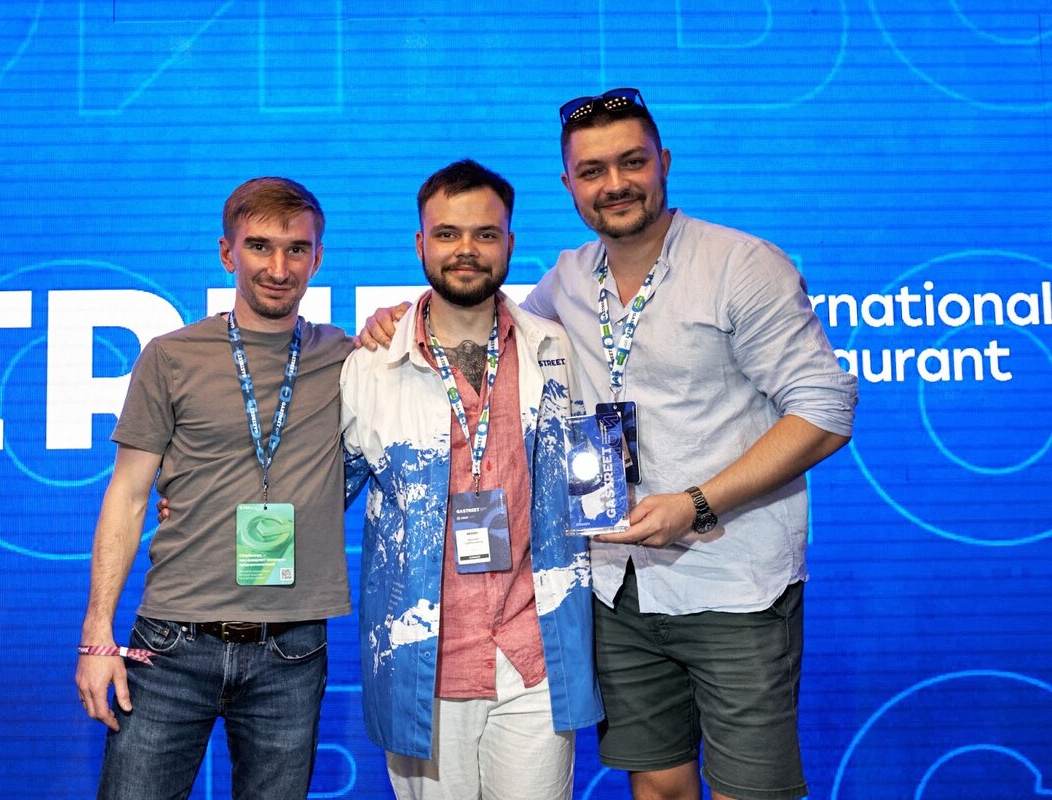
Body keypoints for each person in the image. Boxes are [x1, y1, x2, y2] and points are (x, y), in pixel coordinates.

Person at [360, 90, 859, 800]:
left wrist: (696, 503)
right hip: (615, 588)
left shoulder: (741, 265)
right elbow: (478, 321)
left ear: (664, 162)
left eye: (632, 162)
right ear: (569, 184)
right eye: (593, 171)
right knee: (656, 786)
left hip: (732, 585)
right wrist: (400, 319)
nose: (615, 184)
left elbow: (826, 410)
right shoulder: (566, 281)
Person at [75, 177, 352, 800]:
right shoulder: (170, 356)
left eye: (296, 249)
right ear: (227, 253)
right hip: (172, 643)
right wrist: (97, 635)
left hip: (292, 648)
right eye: (259, 247)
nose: (278, 268)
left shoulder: (348, 357)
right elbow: (128, 495)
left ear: (317, 258)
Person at [341, 159, 603, 800]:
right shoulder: (369, 365)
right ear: (420, 244)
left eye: (485, 234)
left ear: (509, 243)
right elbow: (316, 493)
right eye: (447, 233)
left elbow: (598, 487)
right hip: (423, 658)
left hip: (535, 652)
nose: (466, 249)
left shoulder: (557, 350)